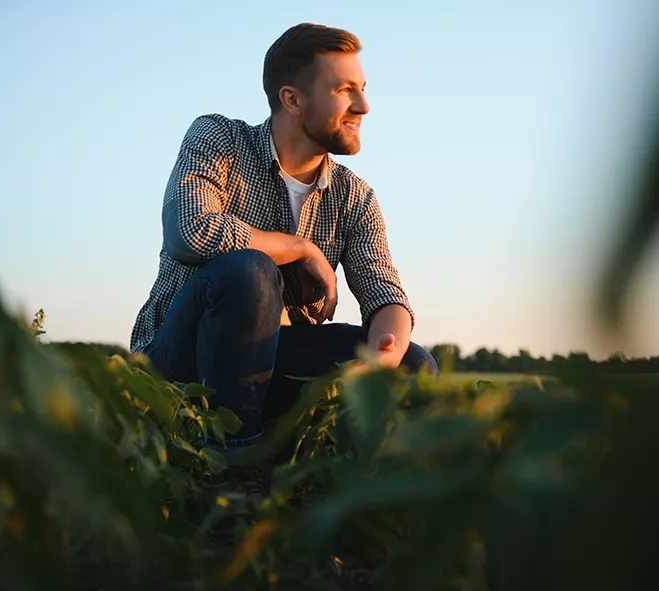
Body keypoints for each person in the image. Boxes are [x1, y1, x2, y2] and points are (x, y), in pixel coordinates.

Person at [129, 22, 437, 459]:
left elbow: (384, 292)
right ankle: (237, 463)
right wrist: (299, 247)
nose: (363, 105)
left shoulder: (355, 196)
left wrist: (383, 355)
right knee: (249, 270)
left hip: (275, 368)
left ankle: (352, 478)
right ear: (292, 99)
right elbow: (191, 232)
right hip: (181, 361)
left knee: (414, 363)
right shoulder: (220, 139)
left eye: (363, 88)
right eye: (344, 89)